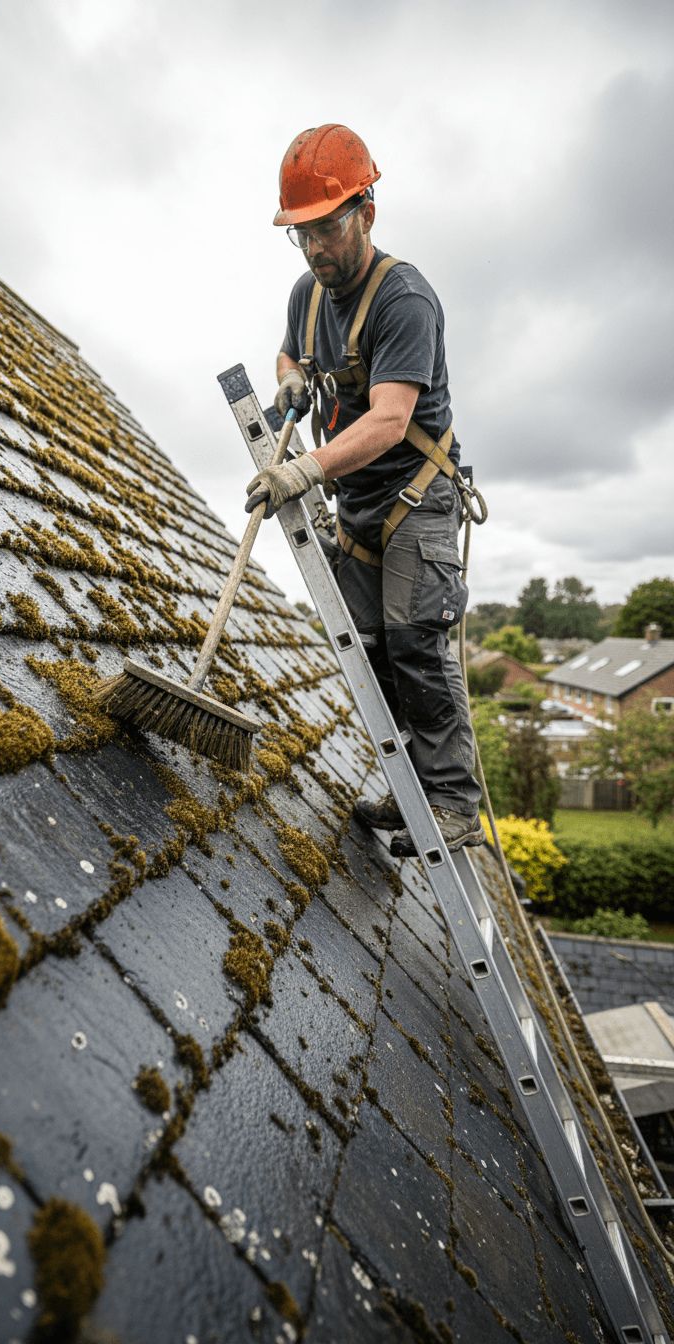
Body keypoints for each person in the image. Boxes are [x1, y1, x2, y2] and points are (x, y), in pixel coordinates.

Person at [245, 124, 483, 855]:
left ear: (366, 214)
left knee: (416, 642)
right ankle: (411, 790)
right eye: (303, 234)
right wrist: (288, 373)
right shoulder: (307, 294)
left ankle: (452, 804)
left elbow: (389, 421)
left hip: (417, 496)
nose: (316, 248)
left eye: (328, 228)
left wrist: (302, 471)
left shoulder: (404, 299)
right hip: (358, 507)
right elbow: (291, 347)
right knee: (372, 651)